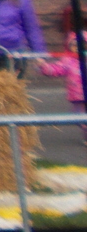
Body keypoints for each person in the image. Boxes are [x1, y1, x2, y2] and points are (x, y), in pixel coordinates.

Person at [36, 10, 87, 142]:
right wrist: (44, 66)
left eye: (81, 45)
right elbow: (56, 69)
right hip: (77, 96)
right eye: (73, 45)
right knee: (79, 117)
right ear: (69, 46)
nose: (77, 47)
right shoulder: (68, 60)